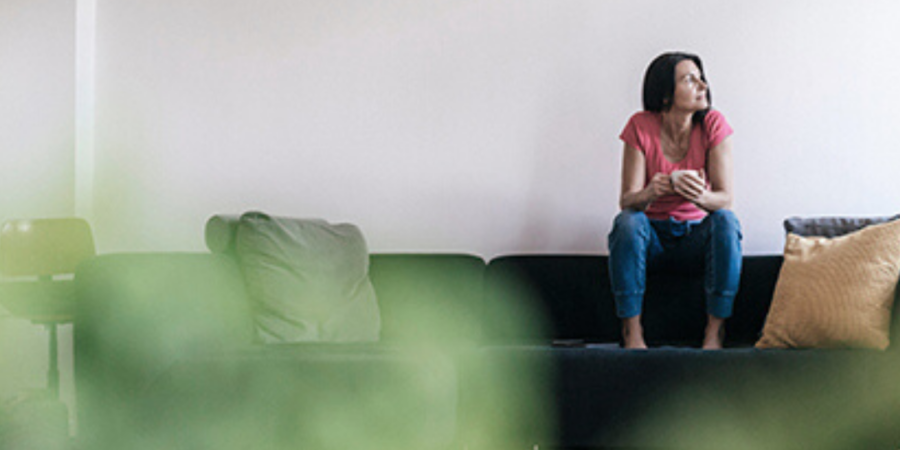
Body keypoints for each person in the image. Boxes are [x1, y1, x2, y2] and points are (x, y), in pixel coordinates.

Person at [608, 52, 742, 350]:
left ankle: (714, 332)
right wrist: (651, 192)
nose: (702, 85)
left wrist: (698, 195)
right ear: (666, 94)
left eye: (701, 77)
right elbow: (627, 200)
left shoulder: (713, 124)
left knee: (726, 221)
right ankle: (632, 333)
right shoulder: (639, 126)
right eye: (689, 79)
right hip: (652, 237)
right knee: (628, 222)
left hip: (695, 237)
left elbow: (725, 199)